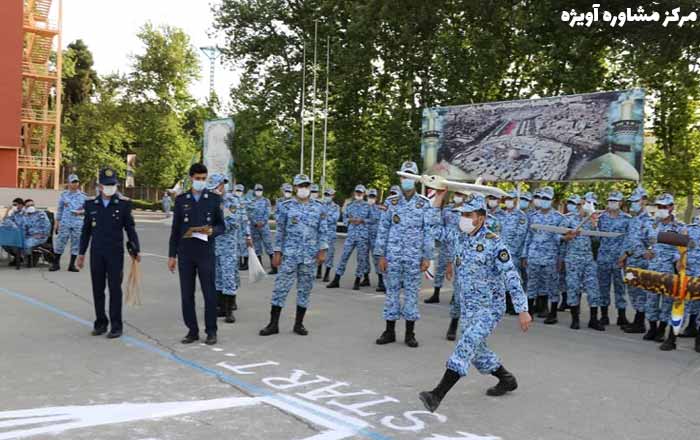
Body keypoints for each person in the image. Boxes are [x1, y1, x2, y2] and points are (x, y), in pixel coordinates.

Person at [419, 193, 531, 413]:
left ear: (480, 217)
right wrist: (438, 200)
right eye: (462, 214)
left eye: (468, 215)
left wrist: (522, 309)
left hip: (489, 309)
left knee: (466, 345)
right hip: (468, 307)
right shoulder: (459, 237)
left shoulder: (495, 244)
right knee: (478, 352)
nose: (463, 219)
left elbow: (511, 276)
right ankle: (506, 379)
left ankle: (436, 395)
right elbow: (432, 228)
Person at [374, 161, 437, 348]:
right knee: (391, 294)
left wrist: (427, 257)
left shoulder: (424, 204)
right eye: (404, 176)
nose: (406, 180)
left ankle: (410, 333)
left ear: (416, 180)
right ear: (400, 178)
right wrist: (381, 255)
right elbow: (383, 229)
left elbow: (428, 232)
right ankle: (389, 331)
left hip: (413, 258)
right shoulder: (391, 203)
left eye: (410, 176)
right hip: (393, 257)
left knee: (411, 295)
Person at [259, 174, 328, 336]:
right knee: (280, 289)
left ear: (310, 187)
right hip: (290, 255)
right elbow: (280, 231)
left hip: (309, 256)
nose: (304, 188)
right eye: (300, 185)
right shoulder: (286, 206)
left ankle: (299, 324)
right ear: (295, 187)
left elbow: (323, 231)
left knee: (305, 290)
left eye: (306, 185)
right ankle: (273, 324)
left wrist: (323, 251)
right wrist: (277, 251)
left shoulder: (319, 207)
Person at [76, 168, 140, 339]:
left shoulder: (124, 204)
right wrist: (80, 254)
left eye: (113, 185)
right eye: (107, 185)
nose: (111, 188)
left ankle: (116, 326)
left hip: (115, 253)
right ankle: (100, 322)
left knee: (114, 289)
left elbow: (130, 228)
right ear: (99, 186)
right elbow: (86, 231)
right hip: (97, 253)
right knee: (98, 289)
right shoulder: (90, 205)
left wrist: (136, 249)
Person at [167, 163, 225, 345]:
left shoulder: (214, 200)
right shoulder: (181, 200)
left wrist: (211, 231)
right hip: (186, 254)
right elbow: (175, 230)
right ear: (191, 178)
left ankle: (211, 331)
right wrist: (171, 256)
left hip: (206, 253)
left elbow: (221, 225)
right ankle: (192, 330)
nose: (201, 181)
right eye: (197, 178)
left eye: (203, 178)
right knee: (187, 294)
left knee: (209, 294)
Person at [209, 174, 251, 324]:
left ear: (222, 185)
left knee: (228, 276)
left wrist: (214, 226)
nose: (214, 190)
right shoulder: (209, 201)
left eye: (216, 187)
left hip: (228, 246)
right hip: (214, 246)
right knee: (217, 277)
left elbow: (233, 223)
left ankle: (229, 310)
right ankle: (220, 306)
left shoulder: (231, 201)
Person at [641, 193, 683, 344]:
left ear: (671, 207)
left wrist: (678, 260)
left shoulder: (680, 227)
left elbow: (683, 250)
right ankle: (652, 328)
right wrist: (644, 251)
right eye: (659, 206)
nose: (661, 209)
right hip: (652, 268)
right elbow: (642, 241)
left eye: (664, 206)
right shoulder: (650, 224)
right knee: (651, 300)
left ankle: (661, 330)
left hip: (669, 271)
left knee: (666, 303)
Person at [560, 195, 604, 330]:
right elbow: (558, 237)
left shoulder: (592, 220)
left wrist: (594, 224)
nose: (588, 206)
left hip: (588, 259)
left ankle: (593, 319)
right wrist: (568, 236)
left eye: (591, 204)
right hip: (573, 259)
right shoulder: (569, 218)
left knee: (593, 289)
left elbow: (597, 241)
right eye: (586, 203)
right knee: (573, 288)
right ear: (580, 204)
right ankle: (575, 319)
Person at [523, 186, 564, 319]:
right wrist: (525, 255)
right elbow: (528, 236)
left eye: (546, 198)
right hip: (534, 255)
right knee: (532, 284)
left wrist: (560, 259)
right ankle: (529, 312)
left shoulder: (558, 218)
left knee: (552, 284)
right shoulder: (533, 216)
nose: (543, 200)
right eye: (541, 198)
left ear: (551, 200)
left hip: (550, 256)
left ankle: (552, 313)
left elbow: (560, 239)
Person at [618, 188, 654, 334]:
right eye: (631, 201)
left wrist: (642, 252)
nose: (633, 204)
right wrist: (624, 256)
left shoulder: (649, 221)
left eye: (636, 201)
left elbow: (652, 243)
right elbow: (630, 241)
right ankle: (637, 321)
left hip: (641, 263)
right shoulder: (634, 220)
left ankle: (640, 323)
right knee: (632, 291)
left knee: (641, 293)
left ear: (644, 201)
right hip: (630, 262)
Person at [326, 184, 371, 290]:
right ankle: (336, 279)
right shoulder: (350, 205)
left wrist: (362, 220)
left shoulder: (368, 206)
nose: (359, 194)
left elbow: (373, 220)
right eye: (357, 192)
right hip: (351, 236)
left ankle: (357, 280)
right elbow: (344, 218)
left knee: (361, 259)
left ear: (364, 194)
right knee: (343, 257)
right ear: (355, 193)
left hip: (362, 236)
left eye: (361, 192)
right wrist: (349, 221)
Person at [596, 191, 631, 326]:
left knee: (620, 289)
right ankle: (604, 316)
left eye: (615, 201)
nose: (612, 203)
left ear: (621, 203)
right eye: (610, 200)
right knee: (603, 288)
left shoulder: (627, 219)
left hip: (619, 259)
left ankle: (621, 316)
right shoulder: (601, 218)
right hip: (603, 258)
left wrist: (626, 255)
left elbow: (630, 239)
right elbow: (596, 237)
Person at [500, 190, 529, 315]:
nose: (508, 201)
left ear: (515, 200)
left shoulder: (521, 216)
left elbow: (520, 235)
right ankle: (505, 303)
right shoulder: (502, 214)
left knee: (514, 279)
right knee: (503, 278)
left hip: (513, 253)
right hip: (500, 253)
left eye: (510, 198)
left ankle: (516, 305)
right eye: (506, 198)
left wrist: (510, 251)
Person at [51, 174, 87, 272]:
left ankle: (72, 265)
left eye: (76, 182)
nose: (75, 184)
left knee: (76, 243)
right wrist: (56, 223)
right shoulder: (64, 195)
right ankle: (56, 263)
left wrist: (80, 212)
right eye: (73, 182)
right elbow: (60, 209)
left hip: (78, 222)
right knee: (60, 241)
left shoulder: (83, 196)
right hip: (65, 222)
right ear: (69, 183)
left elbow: (87, 210)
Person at [249, 183, 275, 274]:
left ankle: (274, 267)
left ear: (262, 191)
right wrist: (255, 222)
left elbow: (267, 212)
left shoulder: (266, 201)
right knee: (257, 247)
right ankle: (259, 268)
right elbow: (250, 213)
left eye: (260, 190)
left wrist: (262, 222)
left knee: (268, 245)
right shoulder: (251, 201)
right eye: (257, 190)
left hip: (264, 227)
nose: (258, 192)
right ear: (254, 191)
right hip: (254, 227)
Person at [20, 199, 51, 267]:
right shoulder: (24, 216)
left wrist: (42, 234)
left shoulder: (41, 214)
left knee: (26, 244)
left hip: (40, 236)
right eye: (28, 206)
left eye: (32, 205)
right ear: (25, 207)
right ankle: (31, 255)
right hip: (29, 236)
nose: (31, 207)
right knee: (18, 243)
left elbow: (47, 225)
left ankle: (29, 260)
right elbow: (23, 228)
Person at [367, 188, 386, 291]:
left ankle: (381, 281)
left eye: (373, 196)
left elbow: (375, 218)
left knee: (377, 260)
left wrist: (362, 220)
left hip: (375, 237)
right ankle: (365, 278)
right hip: (364, 236)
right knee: (363, 260)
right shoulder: (363, 206)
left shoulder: (379, 208)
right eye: (370, 196)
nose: (371, 198)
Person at [321, 188, 341, 282]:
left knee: (329, 254)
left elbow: (334, 219)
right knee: (318, 250)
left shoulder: (336, 207)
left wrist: (324, 217)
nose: (327, 196)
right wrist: (325, 217)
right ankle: (318, 270)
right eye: (326, 194)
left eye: (329, 195)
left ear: (333, 196)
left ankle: (327, 273)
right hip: (321, 232)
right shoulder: (320, 205)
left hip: (330, 233)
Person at [3, 198, 25, 267]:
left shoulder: (26, 212)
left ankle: (18, 258)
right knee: (4, 244)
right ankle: (18, 257)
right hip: (15, 234)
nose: (14, 206)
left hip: (23, 234)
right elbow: (5, 220)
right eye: (13, 205)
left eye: (15, 205)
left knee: (15, 244)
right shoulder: (14, 213)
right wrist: (8, 210)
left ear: (21, 205)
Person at [234, 184, 250, 270]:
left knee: (244, 246)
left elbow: (247, 215)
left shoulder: (245, 201)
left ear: (242, 192)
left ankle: (246, 263)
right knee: (236, 246)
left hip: (243, 227)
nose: (238, 192)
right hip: (235, 228)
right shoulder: (231, 200)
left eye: (240, 191)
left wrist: (248, 233)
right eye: (237, 190)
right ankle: (239, 263)